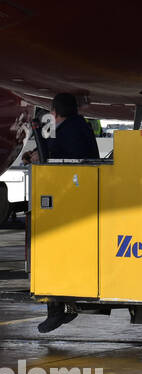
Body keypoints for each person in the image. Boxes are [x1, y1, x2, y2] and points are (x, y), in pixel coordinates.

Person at [24, 94, 98, 333]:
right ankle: (65, 305)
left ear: (55, 111)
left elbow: (60, 160)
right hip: (83, 197)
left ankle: (57, 309)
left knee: (51, 253)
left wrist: (41, 155)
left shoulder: (65, 130)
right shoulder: (80, 126)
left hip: (66, 200)